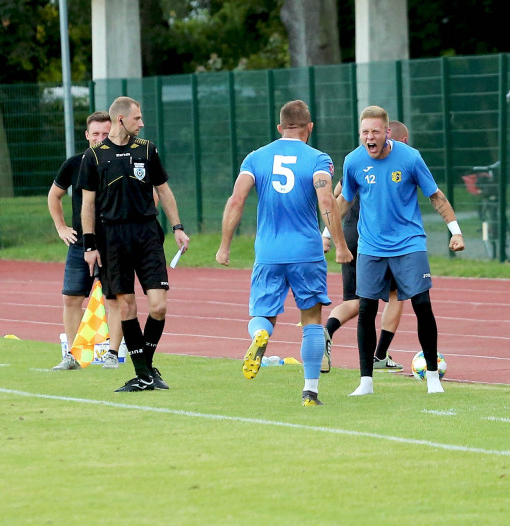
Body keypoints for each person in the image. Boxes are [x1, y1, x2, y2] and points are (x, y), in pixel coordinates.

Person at [216, 99, 352, 406]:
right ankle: (310, 391)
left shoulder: (255, 158)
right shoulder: (318, 159)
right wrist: (340, 246)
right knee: (312, 320)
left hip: (269, 252)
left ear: (279, 128)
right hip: (306, 251)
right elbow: (327, 201)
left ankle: (260, 335)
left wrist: (225, 245)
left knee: (262, 315)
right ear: (310, 128)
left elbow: (237, 200)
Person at [339, 106, 465, 396]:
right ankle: (366, 382)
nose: (369, 137)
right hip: (371, 246)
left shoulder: (410, 158)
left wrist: (455, 231)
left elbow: (436, 196)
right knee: (366, 309)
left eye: (375, 131)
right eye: (364, 132)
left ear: (387, 133)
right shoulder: (353, 161)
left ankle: (432, 376)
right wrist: (327, 235)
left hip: (409, 244)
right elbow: (343, 201)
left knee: (422, 304)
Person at [79, 96, 190, 392]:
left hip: (147, 235)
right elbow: (87, 204)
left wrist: (178, 227)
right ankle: (144, 376)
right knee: (126, 305)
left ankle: (145, 368)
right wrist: (89, 246)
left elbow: (164, 192)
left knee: (159, 305)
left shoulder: (147, 150)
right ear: (121, 120)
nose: (141, 123)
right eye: (137, 118)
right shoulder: (95, 156)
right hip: (112, 237)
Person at [320, 120, 409, 374]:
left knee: (356, 300)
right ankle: (379, 355)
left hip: (347, 234)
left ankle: (326, 331)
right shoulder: (394, 164)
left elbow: (336, 198)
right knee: (396, 294)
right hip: (372, 240)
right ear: (401, 141)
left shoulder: (355, 163)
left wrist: (326, 234)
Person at [48, 112, 123, 371]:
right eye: (96, 134)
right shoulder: (74, 164)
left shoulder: (121, 162)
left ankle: (112, 354)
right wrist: (61, 228)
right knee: (71, 297)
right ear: (87, 136)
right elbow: (54, 196)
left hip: (113, 242)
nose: (100, 139)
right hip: (80, 243)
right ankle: (72, 354)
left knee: (114, 299)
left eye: (106, 134)